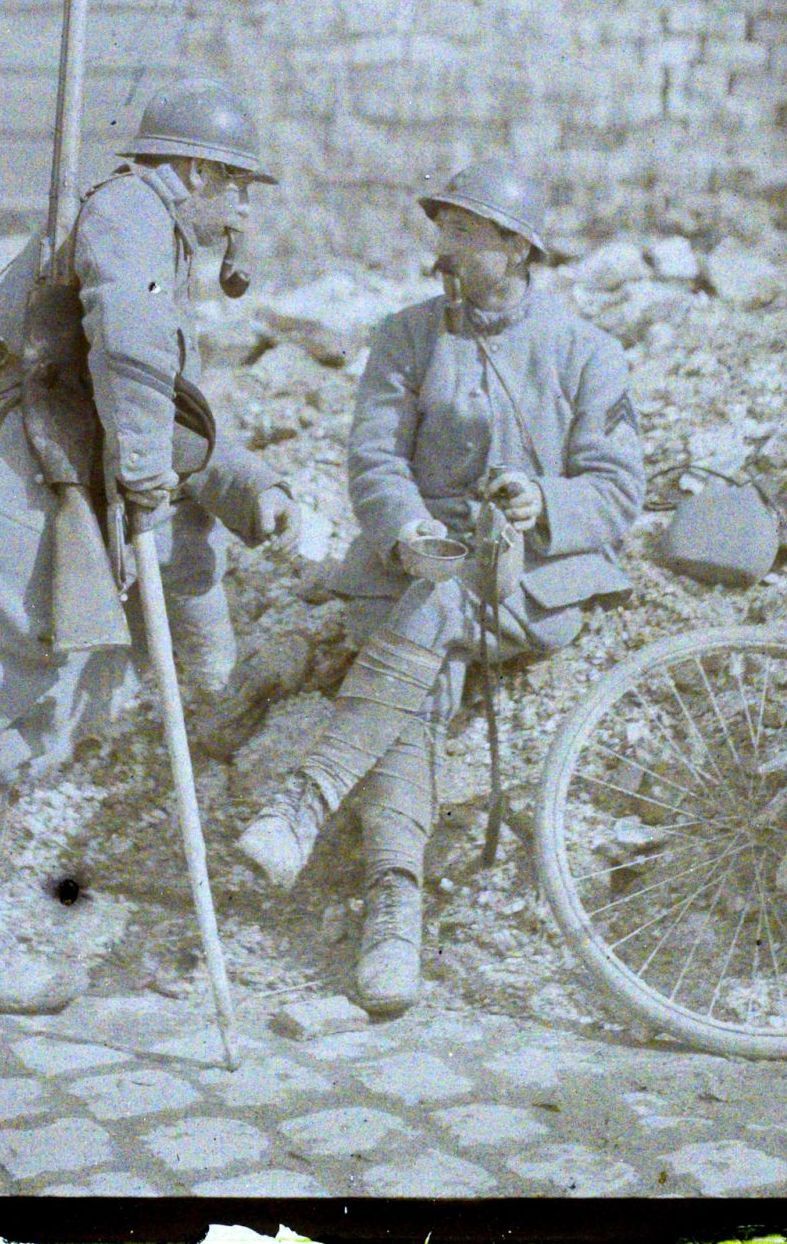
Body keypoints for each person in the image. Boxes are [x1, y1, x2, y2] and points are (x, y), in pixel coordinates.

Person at [0, 79, 301, 1013]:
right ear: (194, 171)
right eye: (238, 187)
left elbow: (168, 398)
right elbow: (131, 358)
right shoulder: (130, 214)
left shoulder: (153, 229)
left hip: (52, 491)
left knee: (15, 711)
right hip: (16, 496)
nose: (243, 210)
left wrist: (242, 486)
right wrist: (148, 479)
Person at [236, 159, 645, 1015]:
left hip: (533, 573)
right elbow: (374, 457)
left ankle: (307, 801)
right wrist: (407, 527)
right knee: (426, 656)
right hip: (417, 564)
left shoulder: (587, 352)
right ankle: (394, 912)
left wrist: (543, 501)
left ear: (517, 247)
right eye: (442, 230)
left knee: (443, 604)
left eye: (465, 232)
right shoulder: (406, 336)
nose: (445, 249)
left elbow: (617, 490)